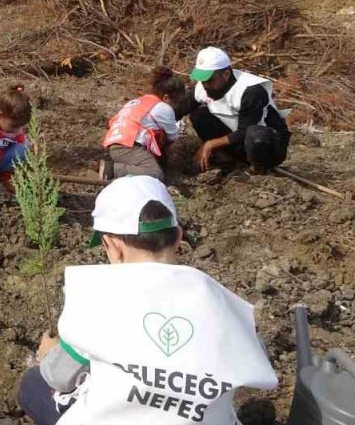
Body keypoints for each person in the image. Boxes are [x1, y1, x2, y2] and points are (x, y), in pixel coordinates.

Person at [17, 176, 277, 425]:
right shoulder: (220, 302)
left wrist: (49, 353)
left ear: (112, 245)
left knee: (33, 385)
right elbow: (255, 359)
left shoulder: (102, 300)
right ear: (177, 237)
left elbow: (59, 377)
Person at [177, 47, 289, 173]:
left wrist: (210, 144)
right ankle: (228, 159)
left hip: (269, 146)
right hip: (239, 140)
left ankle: (259, 169)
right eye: (202, 80)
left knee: (255, 135)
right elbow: (179, 109)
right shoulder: (203, 87)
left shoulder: (250, 92)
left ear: (226, 74)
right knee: (199, 115)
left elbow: (244, 130)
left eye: (210, 80)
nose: (205, 85)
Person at [102, 67, 187, 183]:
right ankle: (112, 169)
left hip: (115, 143)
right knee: (155, 174)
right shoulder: (164, 108)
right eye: (176, 102)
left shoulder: (141, 101)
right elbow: (173, 137)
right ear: (166, 98)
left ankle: (119, 166)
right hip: (128, 147)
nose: (176, 106)